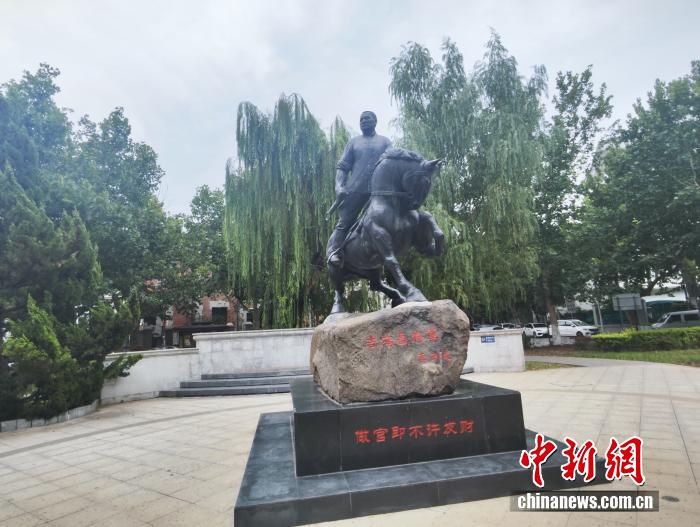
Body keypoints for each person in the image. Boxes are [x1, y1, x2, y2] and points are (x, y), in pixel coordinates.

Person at [327, 111, 391, 266]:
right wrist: (339, 186)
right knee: (344, 223)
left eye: (366, 118)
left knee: (388, 220)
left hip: (378, 191)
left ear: (375, 121)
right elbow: (343, 167)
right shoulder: (353, 143)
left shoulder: (385, 142)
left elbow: (391, 163)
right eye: (361, 119)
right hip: (354, 189)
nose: (363, 121)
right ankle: (333, 252)